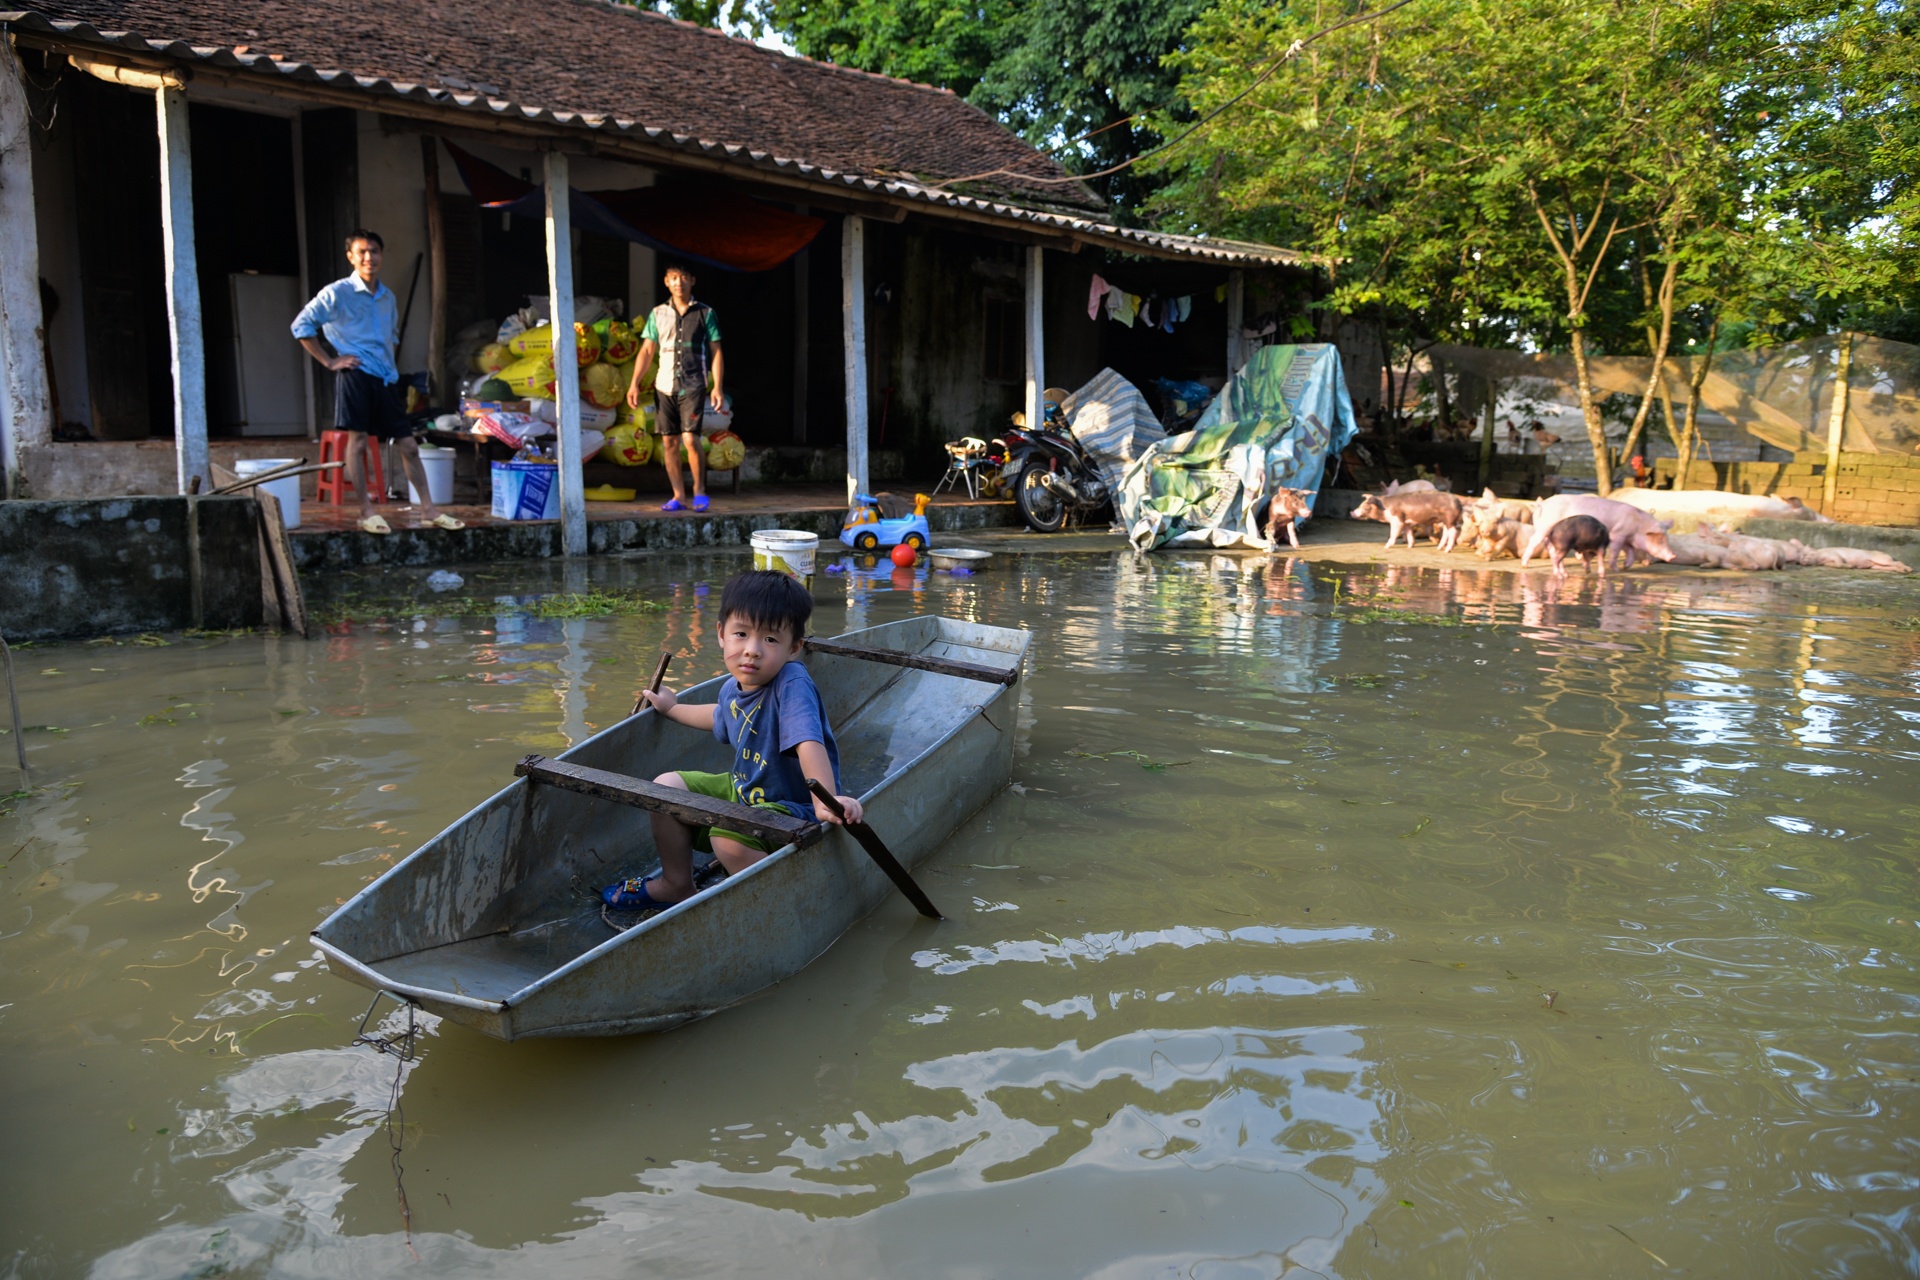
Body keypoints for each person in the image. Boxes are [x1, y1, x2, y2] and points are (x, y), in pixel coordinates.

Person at [602, 570, 861, 910]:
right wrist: (672, 708)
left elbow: (807, 740)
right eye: (741, 634)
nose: (752, 651)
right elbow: (719, 716)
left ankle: (776, 903)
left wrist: (825, 802)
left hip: (795, 807)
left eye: (770, 639)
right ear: (721, 634)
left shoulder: (792, 683)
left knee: (727, 840)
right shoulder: (732, 688)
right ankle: (676, 885)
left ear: (794, 647)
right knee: (664, 787)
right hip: (746, 792)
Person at [292, 230, 463, 534]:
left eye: (374, 251)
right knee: (358, 442)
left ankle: (428, 509)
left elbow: (391, 337)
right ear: (351, 257)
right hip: (355, 375)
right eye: (362, 252)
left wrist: (388, 365)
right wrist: (330, 361)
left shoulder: (387, 297)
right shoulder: (337, 292)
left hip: (385, 378)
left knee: (409, 445)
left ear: (381, 255)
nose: (369, 257)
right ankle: (366, 512)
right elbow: (301, 326)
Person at [627, 262, 725, 513]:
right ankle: (678, 495)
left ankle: (699, 491)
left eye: (683, 277)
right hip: (664, 385)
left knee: (690, 438)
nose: (678, 283)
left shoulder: (705, 313)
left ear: (692, 280)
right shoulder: (658, 313)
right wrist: (634, 383)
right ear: (666, 282)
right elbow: (647, 351)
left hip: (693, 384)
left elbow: (716, 351)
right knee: (669, 441)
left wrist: (717, 387)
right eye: (673, 278)